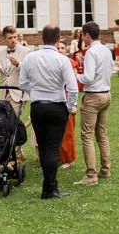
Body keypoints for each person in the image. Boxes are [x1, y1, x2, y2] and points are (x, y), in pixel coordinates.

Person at [19, 24, 78, 199]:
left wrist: (35, 92)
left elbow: (23, 83)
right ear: (58, 38)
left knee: (44, 147)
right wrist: (70, 106)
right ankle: (50, 188)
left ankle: (48, 187)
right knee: (52, 148)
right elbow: (73, 88)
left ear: (41, 38)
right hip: (56, 105)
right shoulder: (61, 59)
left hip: (38, 106)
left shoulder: (30, 58)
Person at [74, 21, 114, 186]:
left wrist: (75, 75)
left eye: (83, 35)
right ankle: (105, 169)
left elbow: (88, 77)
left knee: (87, 136)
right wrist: (85, 62)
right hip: (106, 94)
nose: (82, 38)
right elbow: (107, 69)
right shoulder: (105, 50)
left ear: (87, 35)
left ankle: (91, 175)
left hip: (93, 97)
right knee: (102, 135)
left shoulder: (91, 52)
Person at [0, 26, 31, 161]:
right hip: (4, 92)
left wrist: (19, 64)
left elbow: (31, 71)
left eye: (15, 37)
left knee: (12, 123)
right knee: (6, 122)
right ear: (4, 38)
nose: (13, 40)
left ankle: (14, 154)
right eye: (10, 38)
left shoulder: (26, 51)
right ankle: (17, 152)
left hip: (19, 92)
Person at [57, 39, 78, 169]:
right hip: (56, 102)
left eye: (62, 48)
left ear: (66, 50)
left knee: (67, 133)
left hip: (67, 102)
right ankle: (60, 157)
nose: (59, 50)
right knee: (57, 133)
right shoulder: (52, 62)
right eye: (58, 47)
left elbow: (74, 85)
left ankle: (69, 159)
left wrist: (73, 103)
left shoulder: (70, 63)